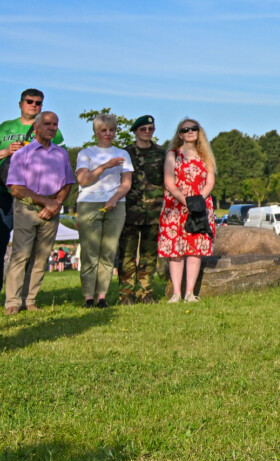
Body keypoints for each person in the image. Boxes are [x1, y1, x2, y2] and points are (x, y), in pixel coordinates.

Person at [4, 111, 73, 313]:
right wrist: (46, 203)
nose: (52, 127)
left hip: (52, 208)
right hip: (26, 204)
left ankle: (30, 300)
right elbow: (15, 189)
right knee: (21, 255)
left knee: (41, 258)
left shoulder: (61, 154)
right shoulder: (22, 154)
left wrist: (57, 203)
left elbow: (68, 182)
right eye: (47, 124)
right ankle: (13, 302)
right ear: (36, 128)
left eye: (55, 124)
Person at [75, 113, 134, 307]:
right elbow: (83, 180)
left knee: (108, 252)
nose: (108, 134)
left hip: (116, 204)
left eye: (112, 130)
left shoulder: (123, 154)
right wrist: (105, 166)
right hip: (89, 203)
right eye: (104, 130)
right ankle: (88, 297)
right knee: (90, 253)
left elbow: (126, 183)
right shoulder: (86, 153)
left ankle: (102, 296)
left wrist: (115, 199)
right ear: (96, 132)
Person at [157, 119, 216, 303]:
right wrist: (187, 201)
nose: (190, 132)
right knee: (176, 250)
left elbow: (210, 181)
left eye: (194, 129)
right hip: (175, 207)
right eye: (186, 129)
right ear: (180, 134)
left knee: (194, 250)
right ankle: (176, 292)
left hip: (199, 207)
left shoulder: (205, 156)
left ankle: (190, 292)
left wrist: (198, 202)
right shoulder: (172, 155)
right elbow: (169, 183)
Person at [118, 114, 166, 301]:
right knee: (127, 255)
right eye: (143, 129)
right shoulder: (125, 153)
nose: (147, 132)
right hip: (130, 211)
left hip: (154, 211)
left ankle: (145, 292)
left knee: (149, 255)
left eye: (150, 129)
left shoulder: (162, 153)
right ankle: (126, 294)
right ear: (135, 131)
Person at [0, 88, 46, 266]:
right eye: (29, 101)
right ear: (21, 104)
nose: (33, 105)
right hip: (4, 192)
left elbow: (60, 161)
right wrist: (6, 151)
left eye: (38, 103)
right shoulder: (5, 127)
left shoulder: (49, 128)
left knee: (28, 247)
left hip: (31, 194)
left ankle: (23, 293)